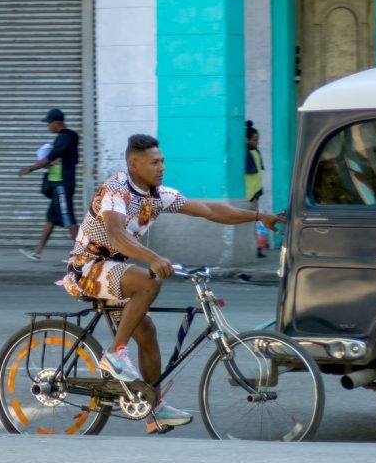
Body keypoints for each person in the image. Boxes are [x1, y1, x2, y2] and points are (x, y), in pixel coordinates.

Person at [59, 134, 285, 434]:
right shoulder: (116, 190)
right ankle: (114, 354)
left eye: (162, 161)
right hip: (86, 268)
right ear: (133, 164)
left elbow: (210, 210)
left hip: (113, 273)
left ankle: (153, 410)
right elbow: (115, 233)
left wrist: (258, 216)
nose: (161, 166)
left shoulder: (157, 196)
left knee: (148, 333)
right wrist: (152, 258)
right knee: (148, 283)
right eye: (154, 162)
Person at [17, 108, 79, 261]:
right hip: (59, 185)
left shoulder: (64, 137)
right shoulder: (65, 137)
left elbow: (50, 158)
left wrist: (30, 168)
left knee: (68, 218)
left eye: (49, 123)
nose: (47, 127)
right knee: (51, 218)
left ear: (57, 123)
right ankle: (37, 251)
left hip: (63, 184)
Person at [245, 120, 268, 257]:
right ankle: (254, 247)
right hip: (248, 192)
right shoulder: (244, 154)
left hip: (255, 191)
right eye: (254, 140)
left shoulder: (256, 152)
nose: (257, 142)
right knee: (251, 220)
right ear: (246, 140)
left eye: (257, 140)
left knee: (255, 220)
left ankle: (257, 247)